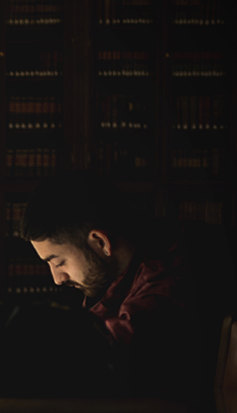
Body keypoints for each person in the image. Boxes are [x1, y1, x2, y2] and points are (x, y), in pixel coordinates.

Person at [16, 169, 202, 399]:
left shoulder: (172, 267)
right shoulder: (112, 278)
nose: (57, 279)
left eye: (59, 262)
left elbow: (116, 348)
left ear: (100, 242)